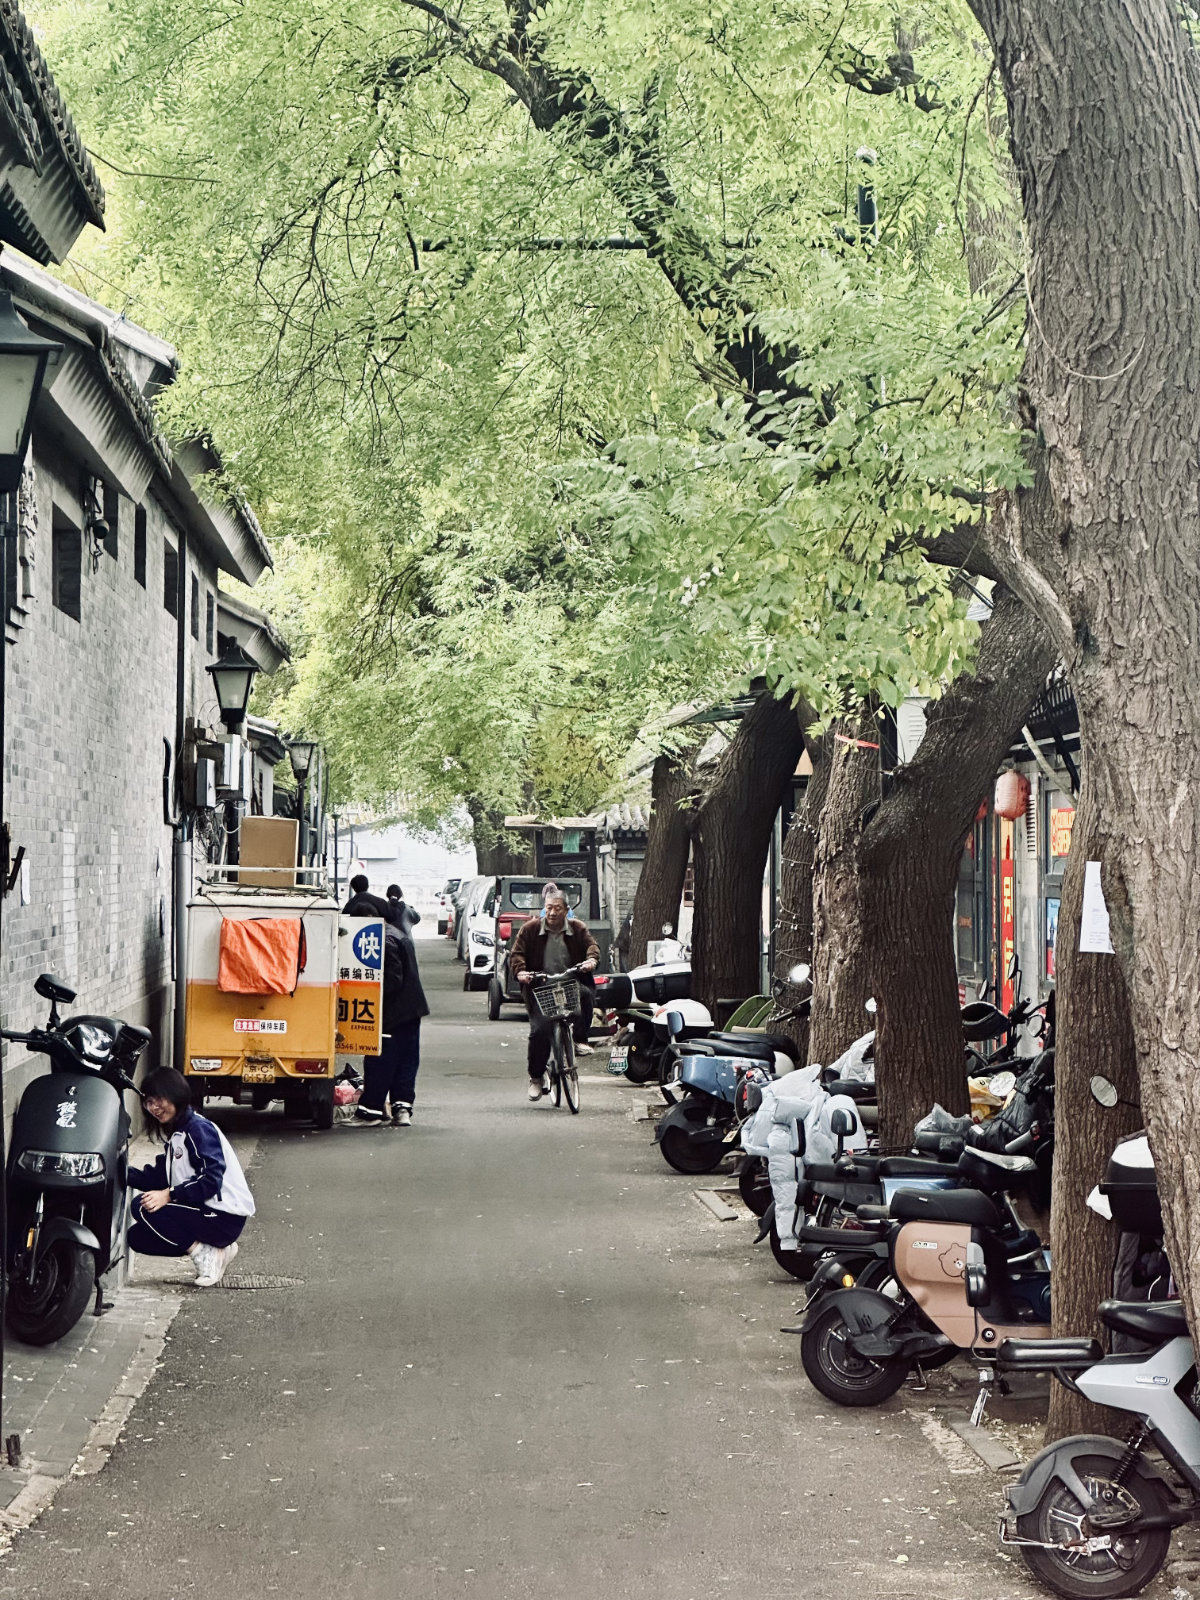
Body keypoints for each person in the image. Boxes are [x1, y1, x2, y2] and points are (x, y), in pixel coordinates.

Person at [127, 1067, 255, 1287]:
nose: (154, 1107)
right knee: (137, 1237)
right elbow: (159, 1177)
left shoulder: (198, 1129)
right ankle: (217, 1250)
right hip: (206, 1214)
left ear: (175, 1093)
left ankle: (205, 1254)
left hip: (224, 1217)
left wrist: (169, 1195)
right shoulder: (177, 1134)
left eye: (159, 1099)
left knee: (141, 1205)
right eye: (148, 1102)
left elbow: (210, 1180)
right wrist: (118, 1170)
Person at [509, 891, 599, 1101]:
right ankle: (536, 1078)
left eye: (557, 908)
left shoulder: (578, 928)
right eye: (549, 908)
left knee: (585, 996)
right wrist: (521, 972)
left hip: (570, 983)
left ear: (567, 911)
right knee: (539, 1031)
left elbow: (592, 946)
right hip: (540, 988)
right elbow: (517, 954)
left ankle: (579, 1039)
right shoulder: (530, 929)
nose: (552, 912)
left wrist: (591, 961)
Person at [352, 917, 429, 1127]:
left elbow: (393, 980)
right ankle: (401, 1110)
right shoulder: (396, 933)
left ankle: (371, 1112)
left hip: (393, 1013)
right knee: (406, 1060)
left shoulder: (383, 940)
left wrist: (366, 995)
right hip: (411, 1011)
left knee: (380, 1060)